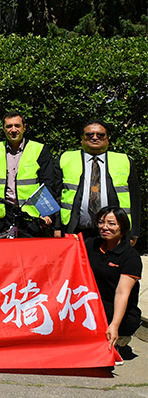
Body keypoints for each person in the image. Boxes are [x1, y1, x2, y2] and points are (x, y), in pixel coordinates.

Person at [56, 119, 140, 245]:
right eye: (89, 135)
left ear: (107, 138)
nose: (95, 138)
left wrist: (134, 232)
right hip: (75, 231)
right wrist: (57, 227)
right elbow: (55, 195)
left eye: (100, 135)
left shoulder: (124, 161)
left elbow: (135, 199)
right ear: (82, 138)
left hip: (114, 233)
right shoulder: (65, 159)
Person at [0, 111, 55, 237]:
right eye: (9, 126)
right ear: (4, 129)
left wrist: (46, 212)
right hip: (3, 215)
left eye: (17, 126)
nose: (13, 130)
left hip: (31, 216)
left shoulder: (39, 149)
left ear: (24, 127)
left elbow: (47, 183)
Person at [85, 206, 142, 353]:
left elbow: (122, 293)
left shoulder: (131, 257)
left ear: (122, 227)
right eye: (101, 222)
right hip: (94, 305)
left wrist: (114, 325)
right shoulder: (92, 244)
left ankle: (119, 337)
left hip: (118, 312)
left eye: (112, 224)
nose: (105, 227)